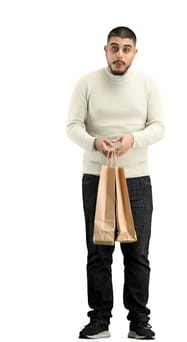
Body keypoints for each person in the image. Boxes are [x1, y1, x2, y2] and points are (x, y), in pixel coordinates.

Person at [66, 26, 165, 339]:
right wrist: (95, 143)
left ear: (134, 52)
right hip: (96, 177)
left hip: (136, 179)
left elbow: (159, 126)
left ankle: (139, 321)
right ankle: (99, 320)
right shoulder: (87, 83)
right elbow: (72, 126)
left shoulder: (147, 84)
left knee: (137, 253)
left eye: (126, 48)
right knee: (99, 252)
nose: (119, 54)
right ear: (105, 50)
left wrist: (132, 139)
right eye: (114, 48)